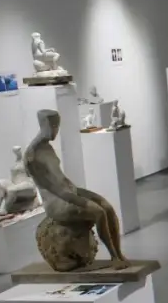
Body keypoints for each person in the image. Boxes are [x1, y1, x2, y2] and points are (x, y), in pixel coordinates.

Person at [25, 110, 129, 269]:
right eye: (53, 126)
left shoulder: (47, 147)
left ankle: (119, 253)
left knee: (107, 207)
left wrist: (77, 191)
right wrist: (80, 200)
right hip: (57, 201)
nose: (56, 131)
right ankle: (114, 257)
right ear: (44, 125)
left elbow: (60, 178)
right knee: (99, 212)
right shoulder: (32, 155)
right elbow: (53, 188)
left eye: (57, 126)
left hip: (68, 191)